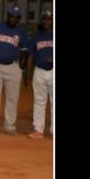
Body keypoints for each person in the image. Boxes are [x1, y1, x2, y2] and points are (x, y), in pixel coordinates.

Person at [0, 6, 29, 135]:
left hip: (13, 67)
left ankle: (10, 126)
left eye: (16, 16)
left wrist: (22, 69)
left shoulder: (21, 31)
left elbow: (25, 52)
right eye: (11, 15)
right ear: (7, 15)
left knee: (12, 98)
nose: (13, 18)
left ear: (19, 18)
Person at [26, 11, 53, 139]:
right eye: (45, 19)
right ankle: (38, 129)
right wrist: (28, 72)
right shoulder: (37, 36)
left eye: (50, 19)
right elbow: (30, 54)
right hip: (39, 71)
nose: (47, 22)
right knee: (39, 101)